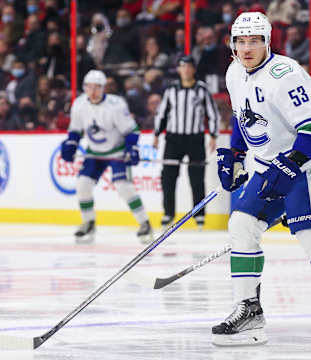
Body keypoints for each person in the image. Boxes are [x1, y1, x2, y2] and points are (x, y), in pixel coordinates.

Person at [212, 12, 311, 351]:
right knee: (241, 224)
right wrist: (235, 153)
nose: (247, 47)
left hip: (306, 163)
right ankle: (249, 311)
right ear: (232, 44)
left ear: (268, 42)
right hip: (268, 164)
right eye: (240, 41)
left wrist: (290, 166)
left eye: (254, 40)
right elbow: (243, 117)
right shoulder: (234, 72)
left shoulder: (287, 75)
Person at [60, 70, 153, 244]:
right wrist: (71, 144)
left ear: (104, 88)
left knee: (123, 186)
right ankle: (88, 222)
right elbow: (75, 129)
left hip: (116, 151)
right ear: (84, 87)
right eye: (89, 86)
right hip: (94, 153)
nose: (93, 90)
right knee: (82, 185)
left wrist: (131, 148)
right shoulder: (79, 104)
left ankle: (144, 223)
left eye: (97, 87)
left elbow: (131, 130)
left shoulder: (115, 105)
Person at [153, 56, 219, 229]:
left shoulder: (202, 90)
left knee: (197, 178)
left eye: (189, 66)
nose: (186, 70)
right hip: (173, 138)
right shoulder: (171, 90)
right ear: (179, 70)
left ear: (193, 69)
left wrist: (213, 135)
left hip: (195, 138)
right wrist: (156, 134)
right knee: (168, 177)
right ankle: (168, 213)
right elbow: (162, 113)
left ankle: (199, 214)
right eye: (183, 66)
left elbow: (212, 114)